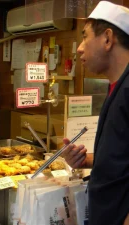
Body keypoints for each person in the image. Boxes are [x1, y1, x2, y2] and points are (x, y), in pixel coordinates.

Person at [61, 2, 129, 225]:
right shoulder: (116, 86)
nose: (79, 48)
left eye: (85, 37)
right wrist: (88, 160)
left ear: (108, 39)